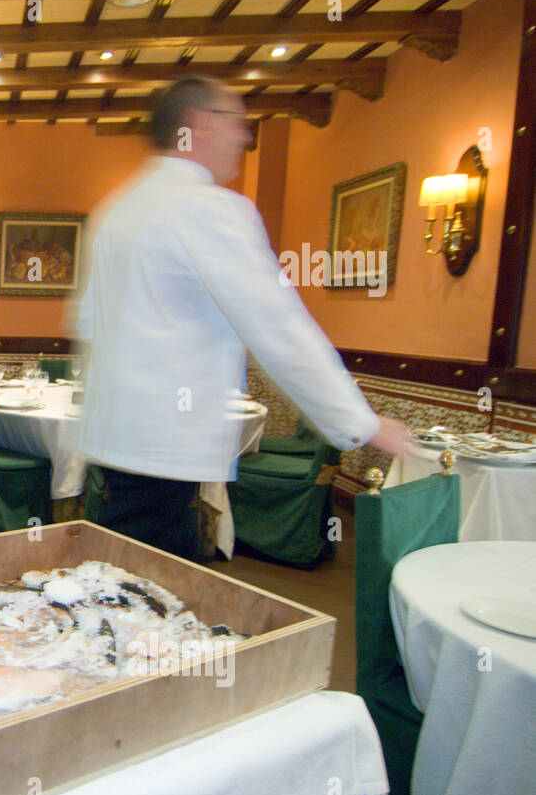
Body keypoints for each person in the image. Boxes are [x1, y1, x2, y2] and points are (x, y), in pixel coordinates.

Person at [75, 76, 410, 559]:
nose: (247, 136)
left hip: (116, 435)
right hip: (168, 441)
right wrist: (359, 423)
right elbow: (278, 325)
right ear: (202, 125)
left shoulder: (117, 210)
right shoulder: (208, 209)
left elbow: (89, 323)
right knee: (156, 586)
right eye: (239, 121)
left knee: (130, 574)